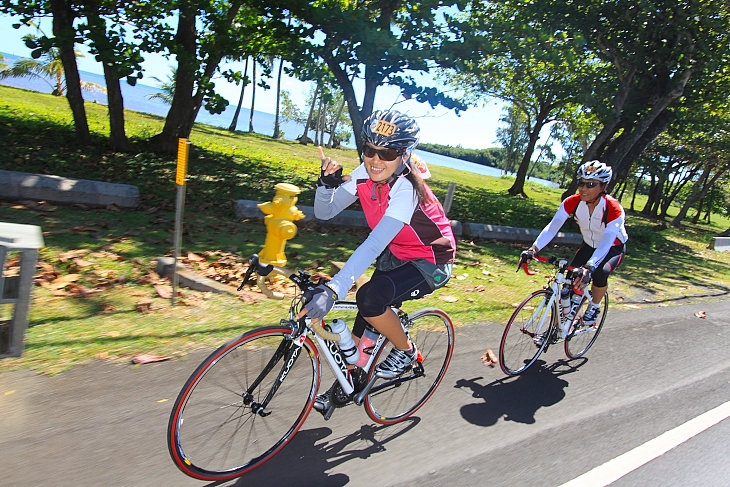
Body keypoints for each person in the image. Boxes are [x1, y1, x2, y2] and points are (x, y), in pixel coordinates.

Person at [296, 110, 456, 414]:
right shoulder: (363, 173)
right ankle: (350, 384)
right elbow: (324, 213)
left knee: (370, 297)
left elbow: (372, 245)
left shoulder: (406, 188)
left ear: (405, 155)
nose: (375, 160)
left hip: (430, 260)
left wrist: (334, 289)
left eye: (388, 153)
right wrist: (325, 184)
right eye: (369, 150)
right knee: (358, 333)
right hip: (396, 253)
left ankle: (406, 351)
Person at [522, 160, 628, 326]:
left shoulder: (613, 208)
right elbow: (552, 228)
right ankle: (555, 329)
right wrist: (533, 249)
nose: (584, 189)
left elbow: (607, 240)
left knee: (601, 272)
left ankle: (594, 306)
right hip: (588, 245)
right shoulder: (572, 202)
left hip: (612, 248)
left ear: (604, 186)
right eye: (581, 183)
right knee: (569, 282)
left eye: (591, 184)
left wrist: (590, 266)